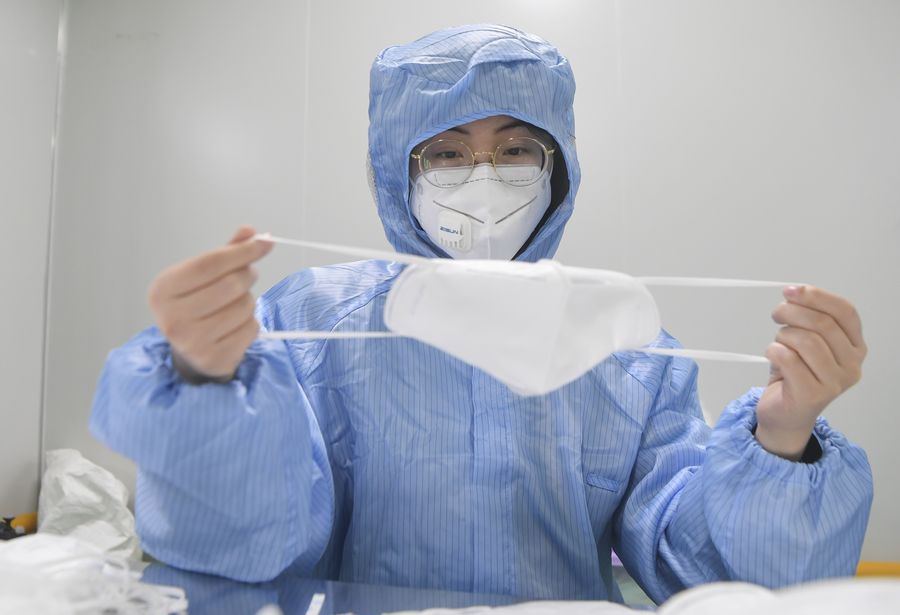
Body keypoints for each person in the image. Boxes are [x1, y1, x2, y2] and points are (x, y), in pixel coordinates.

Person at [90, 25, 873, 603]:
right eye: (447, 153)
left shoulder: (621, 349)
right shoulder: (313, 322)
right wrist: (206, 389)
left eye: (517, 149)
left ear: (558, 168)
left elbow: (710, 579)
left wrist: (783, 438)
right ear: (397, 172)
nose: (484, 180)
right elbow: (245, 548)